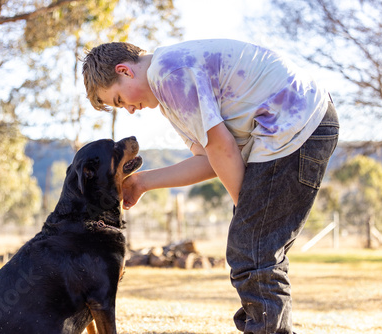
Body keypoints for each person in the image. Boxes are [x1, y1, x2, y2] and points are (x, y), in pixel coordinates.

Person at [82, 39, 339, 334]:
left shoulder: (169, 72)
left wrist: (248, 221)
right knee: (253, 249)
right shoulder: (169, 92)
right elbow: (209, 159)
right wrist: (142, 182)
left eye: (118, 100)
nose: (128, 110)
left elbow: (221, 148)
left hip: (296, 123)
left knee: (252, 249)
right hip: (293, 129)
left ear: (124, 71)